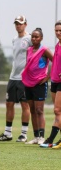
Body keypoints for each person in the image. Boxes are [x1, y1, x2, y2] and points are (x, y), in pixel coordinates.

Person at [0, 15, 31, 142]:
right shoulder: (15, 39)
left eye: (20, 23)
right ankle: (7, 133)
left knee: (25, 104)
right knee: (9, 104)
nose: (18, 25)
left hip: (24, 78)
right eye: (16, 23)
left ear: (25, 24)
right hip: (13, 77)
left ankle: (24, 134)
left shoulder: (30, 38)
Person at [21, 28, 53, 144]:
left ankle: (42, 137)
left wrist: (48, 77)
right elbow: (27, 65)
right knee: (33, 110)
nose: (34, 39)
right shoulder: (28, 50)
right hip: (28, 84)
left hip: (40, 84)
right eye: (33, 37)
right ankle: (35, 136)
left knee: (39, 110)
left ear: (41, 38)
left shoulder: (44, 50)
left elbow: (55, 62)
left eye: (37, 37)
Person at [40, 20, 61, 148]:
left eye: (60, 30)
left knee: (57, 110)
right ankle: (54, 139)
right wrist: (49, 76)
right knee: (58, 112)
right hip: (54, 80)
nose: (58, 33)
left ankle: (50, 139)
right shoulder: (58, 45)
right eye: (56, 30)